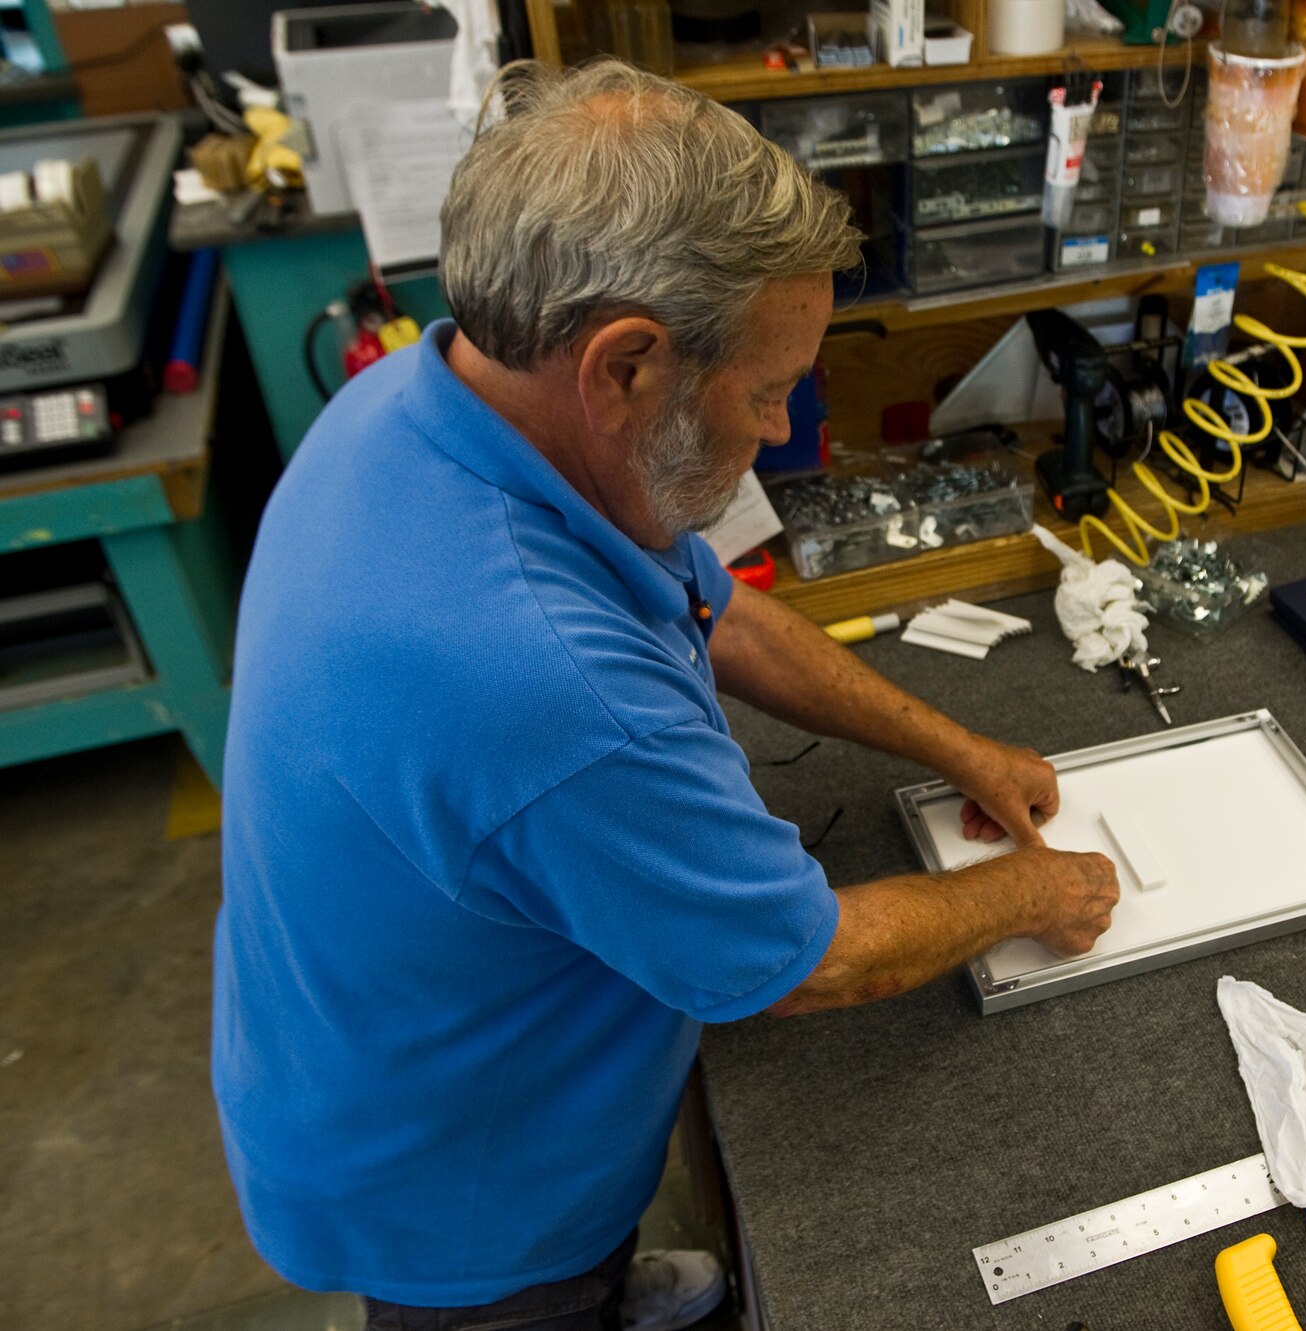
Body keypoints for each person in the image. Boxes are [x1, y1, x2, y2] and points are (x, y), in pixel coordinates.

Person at [212, 60, 1118, 1331]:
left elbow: (717, 608)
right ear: (625, 367)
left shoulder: (427, 401)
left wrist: (952, 740)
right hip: (460, 1191)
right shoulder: (543, 684)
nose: (785, 421)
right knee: (530, 1303)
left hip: (373, 1028)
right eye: (766, 392)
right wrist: (1035, 888)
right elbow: (805, 962)